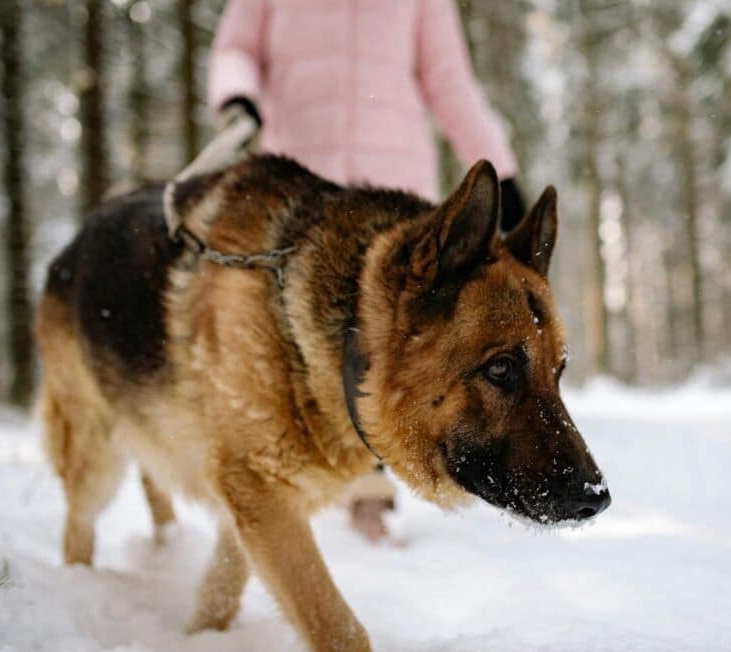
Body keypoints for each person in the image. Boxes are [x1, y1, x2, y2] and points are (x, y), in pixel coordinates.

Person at [208, 0, 527, 542]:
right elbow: (236, 48)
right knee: (292, 341)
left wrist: (502, 172)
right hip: (302, 185)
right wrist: (237, 97)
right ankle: (287, 473)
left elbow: (449, 82)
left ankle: (369, 496)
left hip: (392, 189)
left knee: (390, 340)